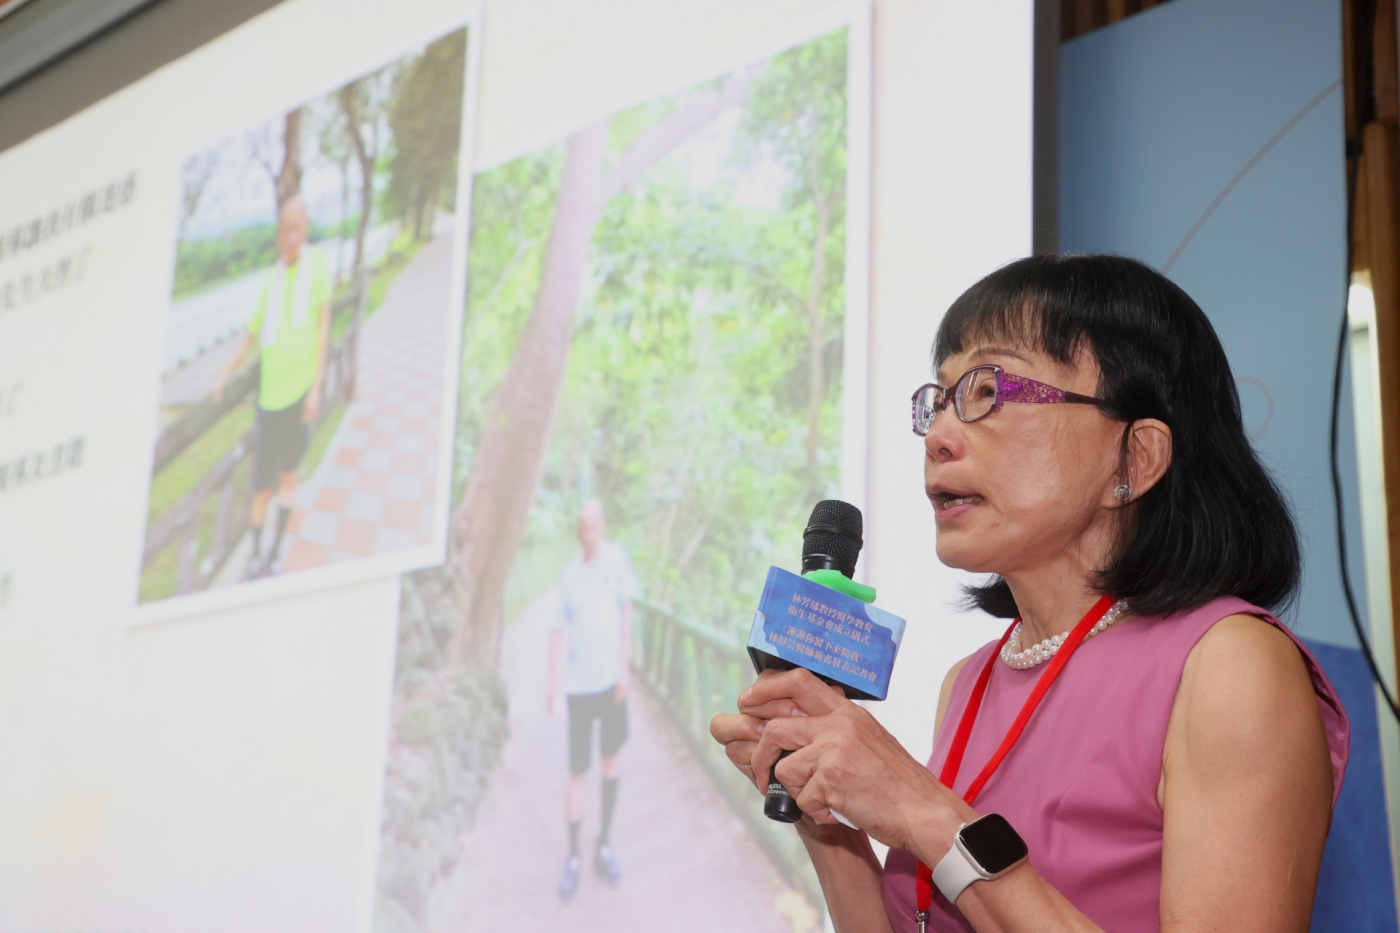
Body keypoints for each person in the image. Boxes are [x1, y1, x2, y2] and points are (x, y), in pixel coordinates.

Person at [711, 255, 1349, 932]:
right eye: (939, 400)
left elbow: (937, 830)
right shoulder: (970, 681)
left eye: (988, 390)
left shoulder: (1231, 665)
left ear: (1135, 458)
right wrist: (821, 812)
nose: (939, 437)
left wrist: (923, 809)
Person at [211, 195, 331, 579]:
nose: (291, 238)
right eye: (284, 231)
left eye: (297, 229)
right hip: (269, 400)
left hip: (299, 394)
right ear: (278, 235)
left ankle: (277, 553)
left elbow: (323, 327)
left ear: (304, 229)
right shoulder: (271, 280)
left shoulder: (317, 265)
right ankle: (256, 555)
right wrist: (224, 373)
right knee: (261, 487)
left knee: (289, 478)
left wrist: (316, 387)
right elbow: (251, 335)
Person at [547, 499, 638, 902]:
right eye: (585, 527)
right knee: (577, 772)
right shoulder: (568, 576)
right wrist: (552, 684)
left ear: (603, 526)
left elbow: (627, 611)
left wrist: (625, 668)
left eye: (596, 526)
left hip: (611, 684)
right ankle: (573, 855)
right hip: (580, 689)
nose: (591, 534)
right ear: (578, 532)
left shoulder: (616, 560)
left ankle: (603, 844)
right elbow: (556, 631)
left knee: (611, 762)